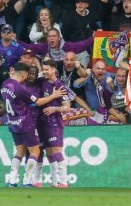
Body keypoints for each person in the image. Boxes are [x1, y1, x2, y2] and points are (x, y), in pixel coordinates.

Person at [0, 62, 67, 187]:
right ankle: (27, 181)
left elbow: (6, 104)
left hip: (13, 123)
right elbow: (39, 102)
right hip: (26, 123)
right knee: (35, 152)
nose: (30, 76)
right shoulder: (21, 89)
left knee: (19, 152)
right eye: (28, 73)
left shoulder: (5, 85)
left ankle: (12, 181)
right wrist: (54, 95)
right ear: (24, 74)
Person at [39, 59, 73, 187]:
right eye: (44, 69)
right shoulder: (41, 82)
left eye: (47, 69)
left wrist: (55, 108)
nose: (44, 71)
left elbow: (67, 107)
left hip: (54, 122)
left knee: (57, 149)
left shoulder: (60, 86)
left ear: (54, 70)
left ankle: (63, 182)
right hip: (42, 123)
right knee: (49, 152)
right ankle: (54, 182)